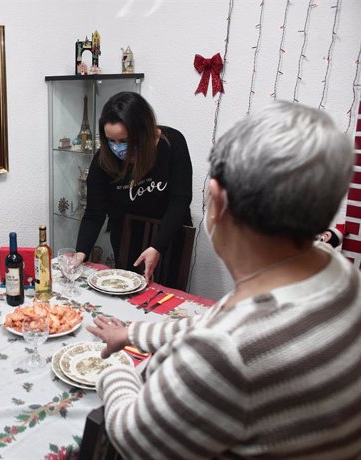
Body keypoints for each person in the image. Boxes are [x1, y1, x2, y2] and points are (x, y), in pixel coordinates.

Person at [87, 101, 360, 459]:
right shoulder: (337, 270)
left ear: (217, 201)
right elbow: (215, 323)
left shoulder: (226, 352)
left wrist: (114, 370)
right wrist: (133, 334)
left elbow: (134, 437)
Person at [74, 92, 192, 284]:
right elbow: (94, 213)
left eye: (125, 141)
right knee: (128, 297)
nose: (117, 147)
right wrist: (81, 252)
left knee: (165, 301)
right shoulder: (103, 160)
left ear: (143, 132)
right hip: (127, 238)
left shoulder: (172, 143)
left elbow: (180, 200)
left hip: (168, 235)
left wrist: (157, 246)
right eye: (111, 141)